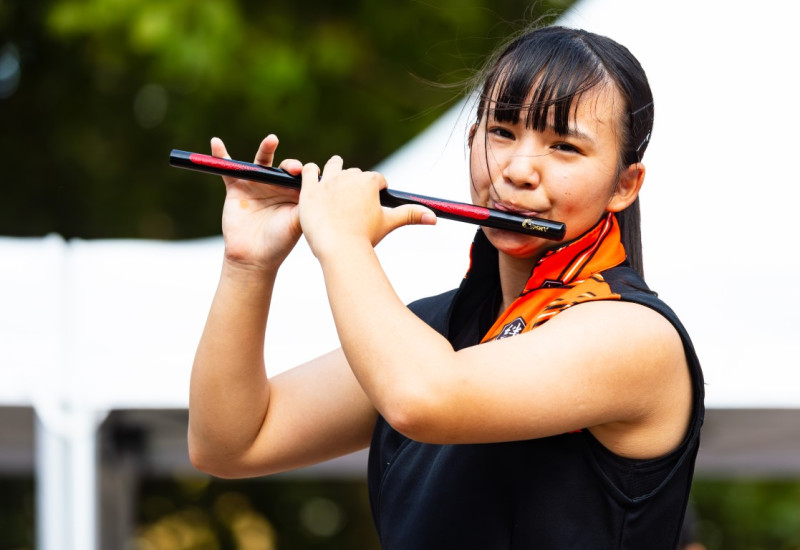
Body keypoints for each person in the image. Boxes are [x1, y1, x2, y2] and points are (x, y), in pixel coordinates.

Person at [188, 25, 704, 549]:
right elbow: (230, 443)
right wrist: (247, 263)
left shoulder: (634, 334)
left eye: (565, 146)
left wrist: (344, 242)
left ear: (624, 185)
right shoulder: (429, 332)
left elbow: (422, 398)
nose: (518, 169)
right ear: (472, 138)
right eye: (501, 131)